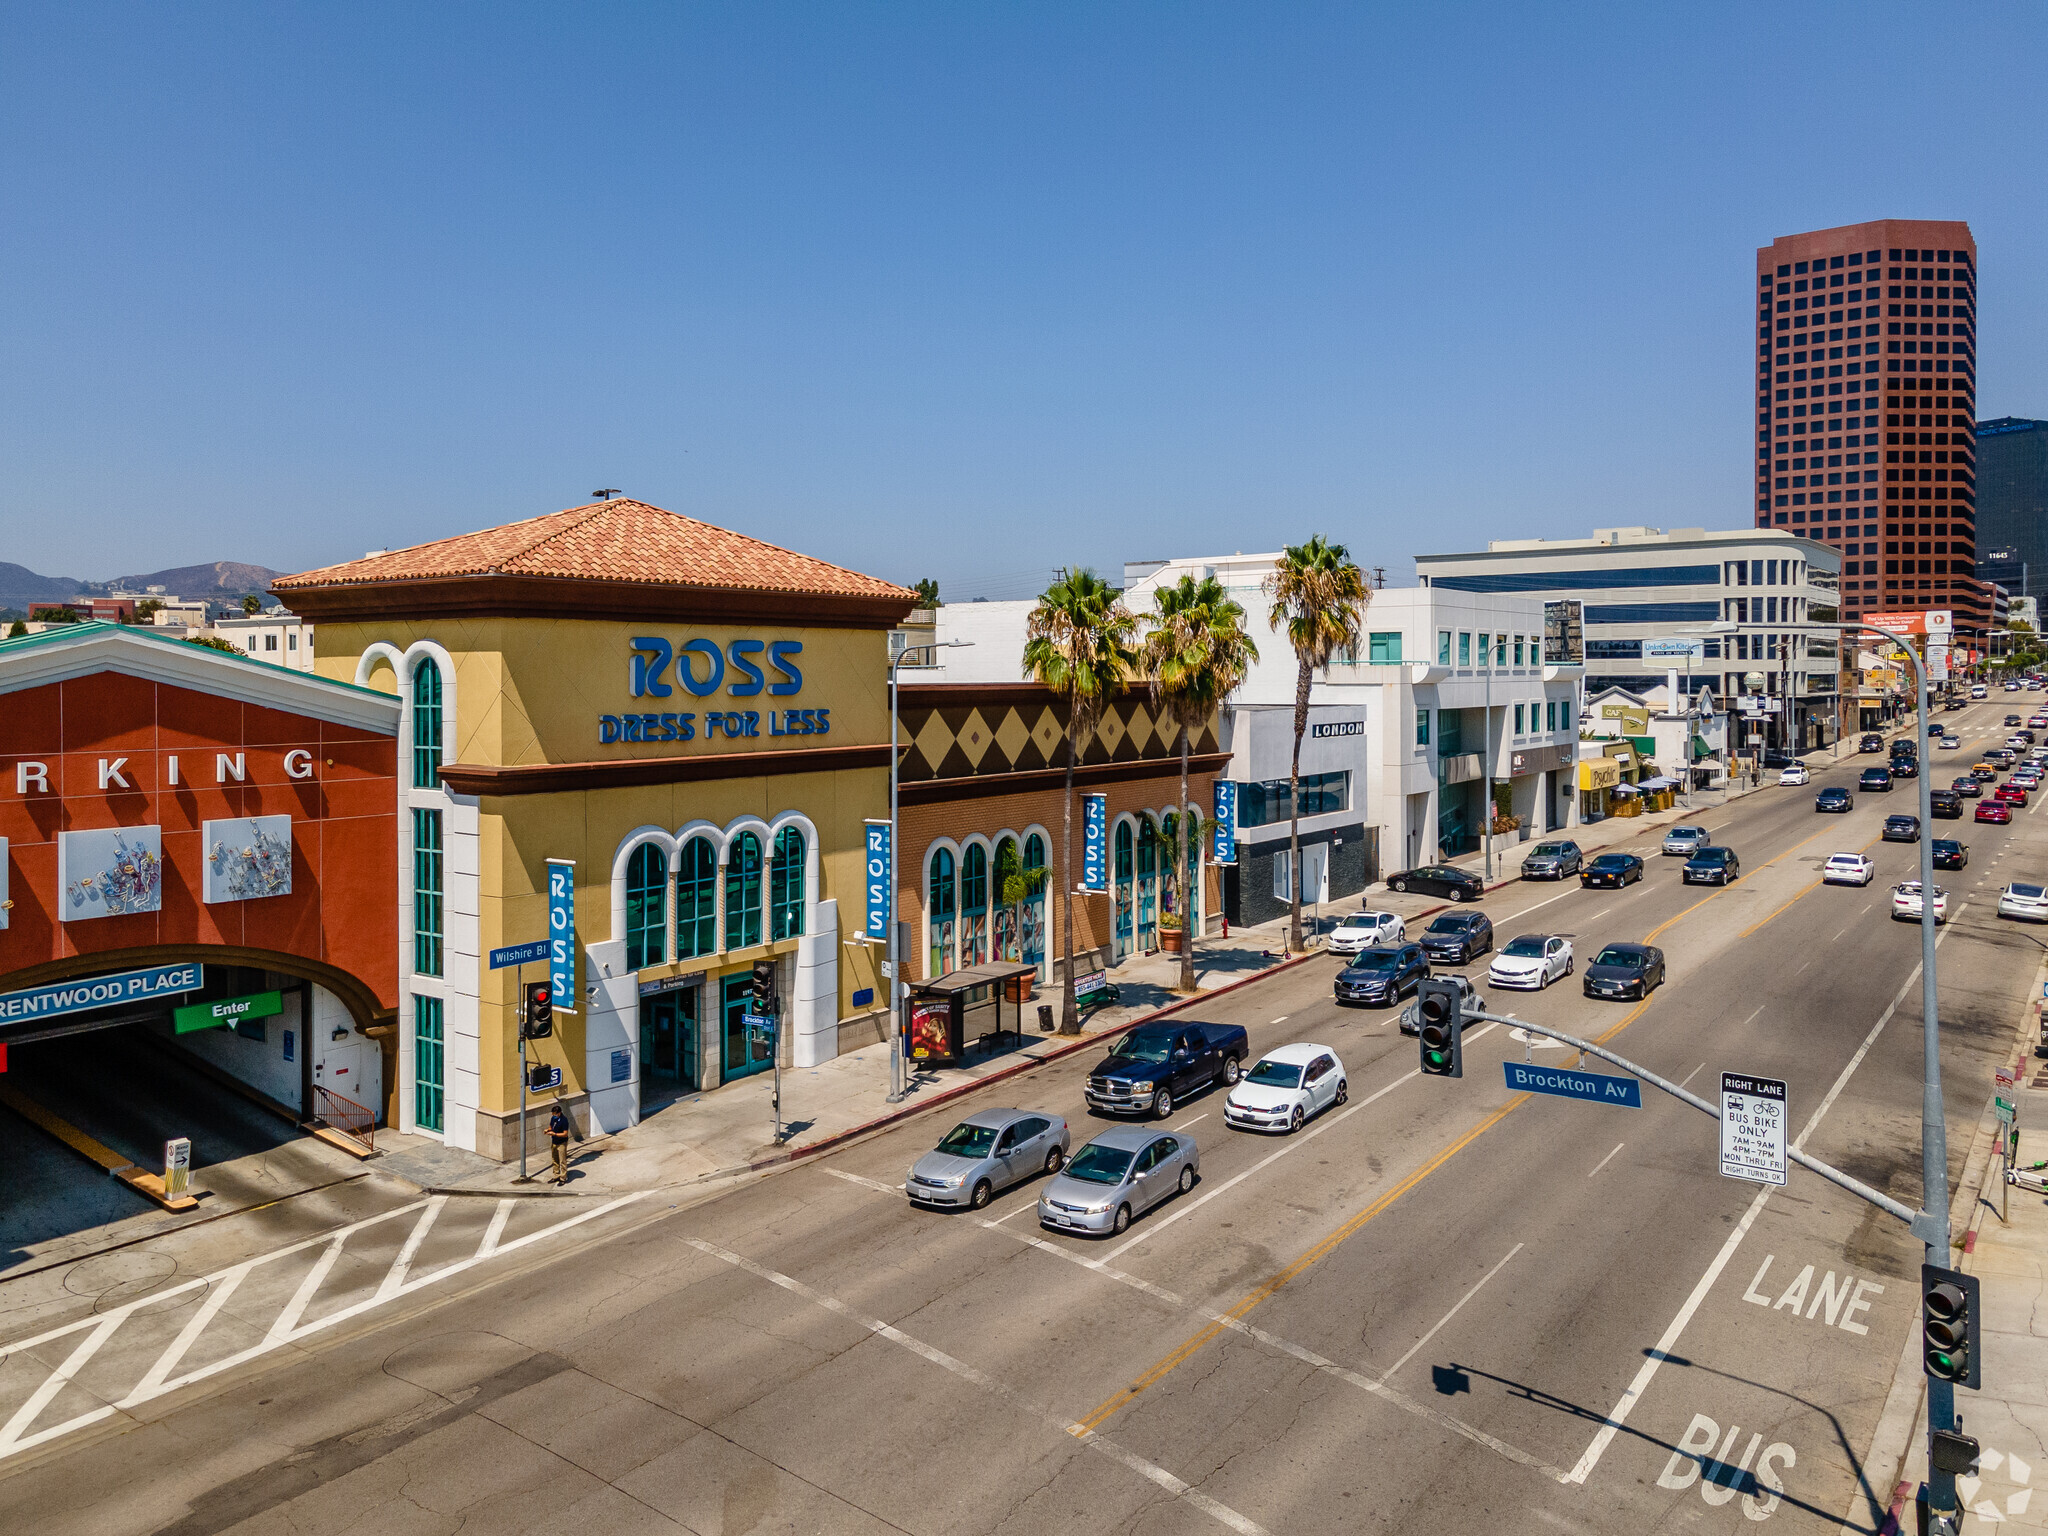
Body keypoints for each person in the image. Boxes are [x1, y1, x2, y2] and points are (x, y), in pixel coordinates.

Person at [547, 1102, 576, 1185]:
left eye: (555, 1114)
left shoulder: (564, 1120)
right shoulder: (553, 1118)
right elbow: (550, 1126)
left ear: (559, 1113)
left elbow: (565, 1133)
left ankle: (563, 1178)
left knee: (562, 1160)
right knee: (554, 1159)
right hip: (554, 1142)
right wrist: (548, 1130)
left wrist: (555, 1134)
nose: (553, 1115)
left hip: (561, 1143)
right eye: (553, 1114)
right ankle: (556, 1175)